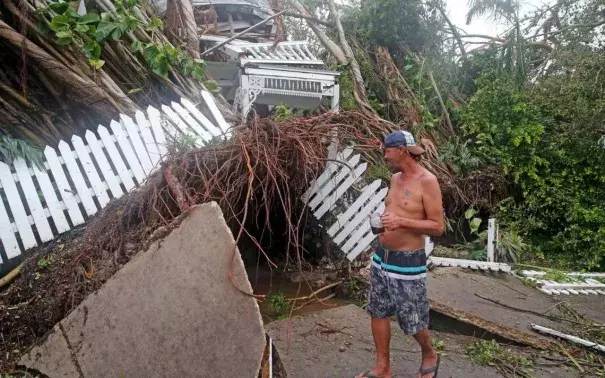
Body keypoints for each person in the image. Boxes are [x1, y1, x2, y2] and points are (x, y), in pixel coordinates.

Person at [356, 130, 445, 378]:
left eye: (388, 150)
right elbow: (394, 213)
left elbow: (438, 227)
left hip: (407, 262)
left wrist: (401, 222)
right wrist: (382, 223)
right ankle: (383, 368)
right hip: (382, 257)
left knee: (412, 318)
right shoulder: (395, 179)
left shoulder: (428, 181)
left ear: (402, 151)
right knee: (378, 311)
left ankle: (429, 353)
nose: (385, 156)